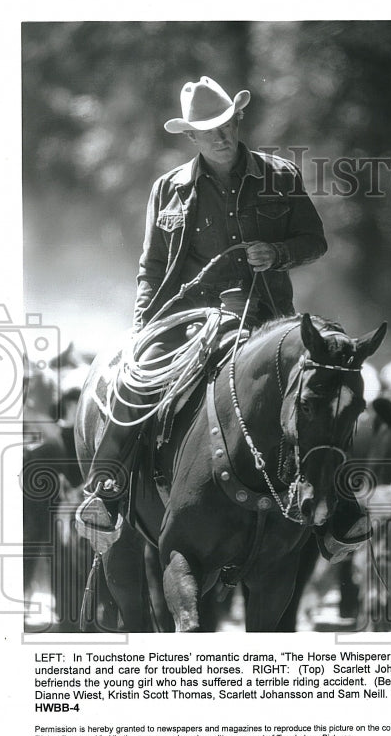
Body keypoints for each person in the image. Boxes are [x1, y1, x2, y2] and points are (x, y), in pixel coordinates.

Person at [76, 76, 329, 549]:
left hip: (267, 315)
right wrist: (142, 331)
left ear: (238, 118)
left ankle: (335, 511)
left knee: (327, 380)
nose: (221, 136)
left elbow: (315, 241)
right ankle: (106, 491)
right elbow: (150, 269)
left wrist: (276, 253)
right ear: (190, 136)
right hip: (187, 318)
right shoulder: (167, 189)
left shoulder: (281, 176)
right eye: (208, 129)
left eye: (226, 123)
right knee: (135, 378)